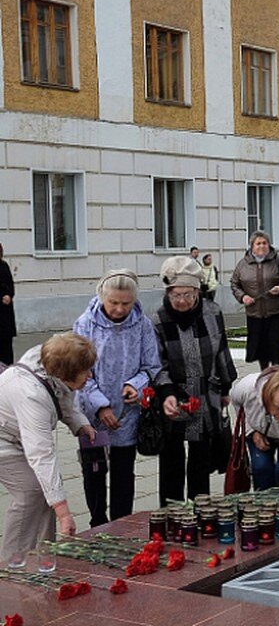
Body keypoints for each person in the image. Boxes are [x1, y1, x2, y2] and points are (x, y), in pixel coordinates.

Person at [0, 333, 97, 568]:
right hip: (4, 439)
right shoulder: (30, 395)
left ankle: (46, 557)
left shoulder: (48, 360)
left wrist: (78, 422)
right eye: (85, 371)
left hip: (20, 434)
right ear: (65, 372)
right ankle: (11, 565)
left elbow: (60, 392)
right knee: (31, 491)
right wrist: (64, 513)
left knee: (49, 491)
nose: (90, 375)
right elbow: (42, 455)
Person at [73, 270, 161, 527]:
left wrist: (136, 385)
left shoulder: (142, 324)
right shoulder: (85, 324)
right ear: (102, 297)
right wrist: (100, 406)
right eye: (113, 302)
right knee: (94, 470)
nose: (120, 309)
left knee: (124, 472)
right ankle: (97, 523)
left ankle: (122, 524)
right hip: (92, 413)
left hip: (127, 414)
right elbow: (78, 371)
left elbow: (151, 366)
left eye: (126, 303)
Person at [153, 256, 237, 505]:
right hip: (173, 398)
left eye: (188, 295)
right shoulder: (158, 320)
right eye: (176, 295)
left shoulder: (212, 312)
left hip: (204, 393)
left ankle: (201, 511)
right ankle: (171, 512)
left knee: (201, 458)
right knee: (171, 460)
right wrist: (166, 392)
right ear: (168, 292)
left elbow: (222, 350)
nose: (181, 301)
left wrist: (225, 387)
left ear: (197, 292)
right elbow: (157, 364)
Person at [231, 230, 279, 369]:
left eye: (264, 243)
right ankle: (264, 373)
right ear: (252, 246)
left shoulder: (278, 260)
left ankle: (276, 372)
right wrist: (243, 297)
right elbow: (234, 284)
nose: (261, 246)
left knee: (275, 347)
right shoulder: (243, 264)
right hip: (255, 314)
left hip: (275, 313)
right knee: (260, 349)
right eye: (258, 243)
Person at [0, 243, 16, 365]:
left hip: (5, 313)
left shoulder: (4, 265)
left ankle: (8, 368)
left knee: (6, 344)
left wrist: (9, 295)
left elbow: (10, 285)